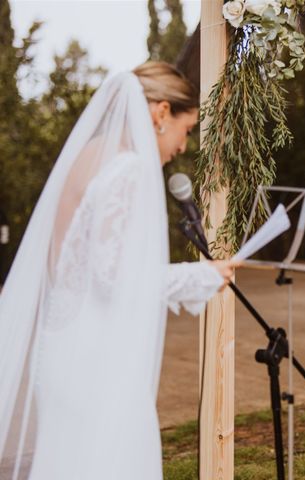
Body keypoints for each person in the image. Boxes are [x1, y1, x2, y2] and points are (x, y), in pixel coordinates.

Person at [0, 62, 237, 480]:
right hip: (97, 361)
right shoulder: (127, 168)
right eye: (187, 129)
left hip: (63, 352)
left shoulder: (86, 158)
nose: (184, 146)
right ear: (161, 113)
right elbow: (116, 278)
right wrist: (201, 276)